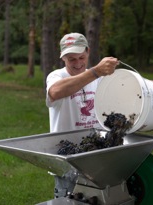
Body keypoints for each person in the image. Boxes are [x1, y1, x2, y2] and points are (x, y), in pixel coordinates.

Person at [46, 32, 119, 198]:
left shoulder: (100, 78)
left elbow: (124, 84)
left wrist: (149, 86)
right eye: (71, 59)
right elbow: (56, 91)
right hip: (67, 159)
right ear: (62, 57)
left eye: (81, 57)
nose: (78, 63)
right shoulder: (57, 76)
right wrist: (95, 71)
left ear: (88, 52)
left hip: (98, 157)